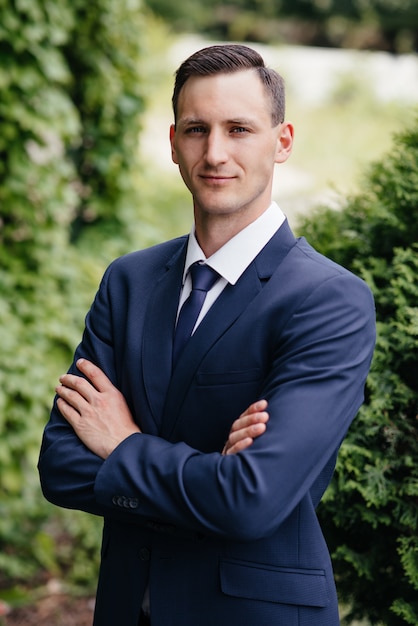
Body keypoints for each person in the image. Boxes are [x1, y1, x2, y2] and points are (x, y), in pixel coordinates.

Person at [38, 44, 376, 626]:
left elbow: (252, 499)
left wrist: (122, 445)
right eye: (197, 129)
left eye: (239, 128)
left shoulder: (328, 300)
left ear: (283, 141)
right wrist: (209, 475)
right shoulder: (130, 280)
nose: (215, 152)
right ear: (173, 144)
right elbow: (61, 464)